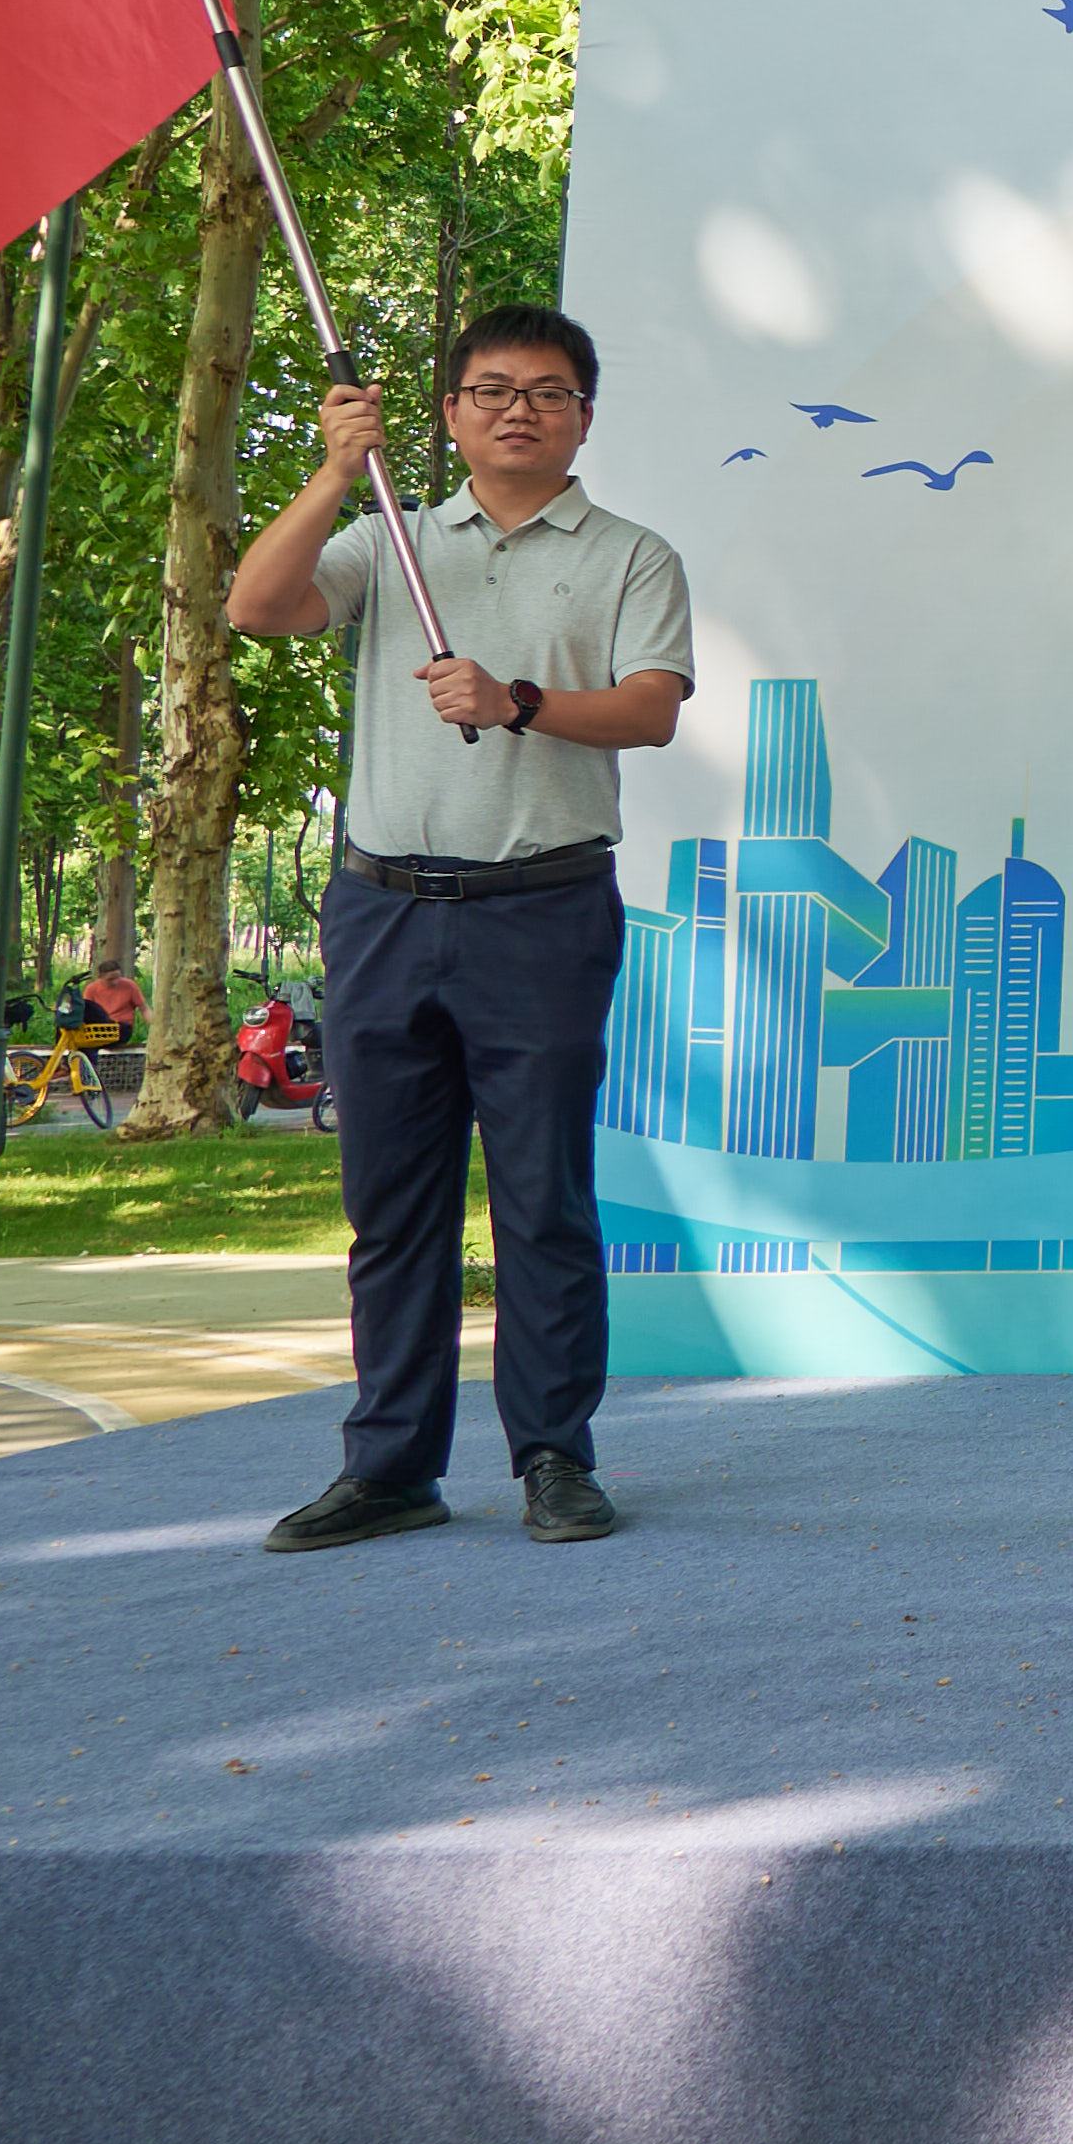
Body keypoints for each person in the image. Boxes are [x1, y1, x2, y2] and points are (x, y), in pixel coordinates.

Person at [228, 307, 695, 1551]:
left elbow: (651, 710)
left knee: (542, 1199)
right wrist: (335, 472)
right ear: (448, 413)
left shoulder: (632, 555)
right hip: (382, 908)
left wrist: (515, 700)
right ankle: (390, 1468)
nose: (517, 410)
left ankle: (553, 1456)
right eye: (490, 390)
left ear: (583, 417)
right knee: (392, 1208)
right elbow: (259, 607)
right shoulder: (391, 540)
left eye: (546, 392)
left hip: (540, 909)